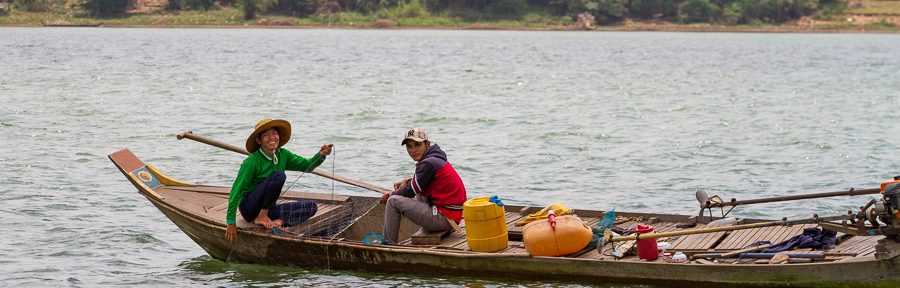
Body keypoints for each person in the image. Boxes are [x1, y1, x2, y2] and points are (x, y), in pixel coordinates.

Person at [224, 118, 333, 243]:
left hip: (269, 208)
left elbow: (306, 166)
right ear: (258, 140)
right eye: (266, 135)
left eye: (274, 133)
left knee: (311, 207)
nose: (272, 137)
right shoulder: (252, 161)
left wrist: (321, 155)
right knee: (279, 176)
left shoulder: (283, 154)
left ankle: (277, 222)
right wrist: (230, 222)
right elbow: (236, 191)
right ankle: (262, 217)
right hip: (249, 208)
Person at [380, 128, 467, 244]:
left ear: (427, 144)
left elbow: (410, 191)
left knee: (393, 201)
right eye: (409, 146)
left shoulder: (428, 163)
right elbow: (423, 180)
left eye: (417, 145)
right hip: (451, 216)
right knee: (418, 189)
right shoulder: (434, 158)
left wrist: (389, 195)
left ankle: (388, 244)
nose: (413, 150)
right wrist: (409, 180)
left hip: (445, 218)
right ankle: (427, 227)